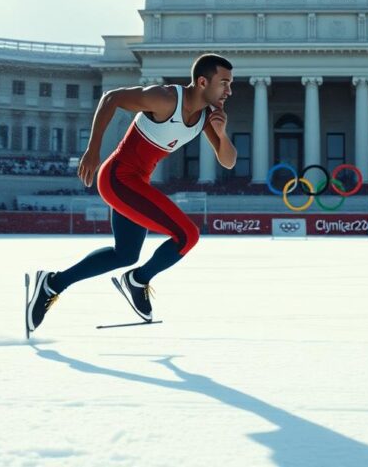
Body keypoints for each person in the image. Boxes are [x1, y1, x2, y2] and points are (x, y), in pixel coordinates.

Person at [27, 53, 237, 333]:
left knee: (124, 254)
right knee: (188, 235)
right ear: (202, 82)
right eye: (224, 83)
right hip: (117, 179)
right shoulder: (165, 99)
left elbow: (228, 160)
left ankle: (51, 283)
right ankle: (138, 280)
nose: (229, 90)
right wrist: (93, 151)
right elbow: (111, 98)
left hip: (137, 184)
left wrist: (221, 135)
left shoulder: (208, 117)